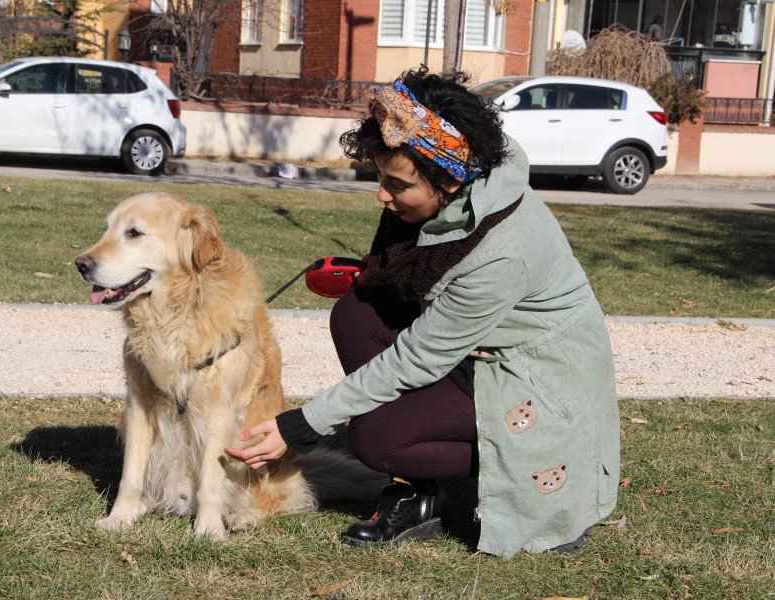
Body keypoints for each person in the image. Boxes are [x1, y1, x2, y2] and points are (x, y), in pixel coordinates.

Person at [224, 66, 620, 558]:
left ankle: (478, 479)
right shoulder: (460, 184)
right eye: (380, 177)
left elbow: (418, 358)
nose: (381, 195)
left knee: (375, 437)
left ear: (449, 182)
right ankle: (423, 487)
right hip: (481, 354)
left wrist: (299, 425)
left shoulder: (501, 250)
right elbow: (416, 276)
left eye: (398, 184)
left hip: (538, 376)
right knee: (358, 313)